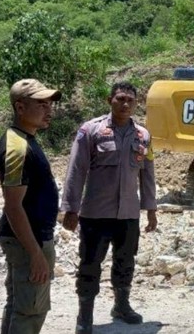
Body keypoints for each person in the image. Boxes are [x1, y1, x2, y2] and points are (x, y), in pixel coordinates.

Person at [61, 81, 157, 333]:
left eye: (130, 100)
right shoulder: (90, 130)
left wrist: (151, 209)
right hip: (95, 214)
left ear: (136, 104)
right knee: (90, 264)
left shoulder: (143, 136)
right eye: (120, 99)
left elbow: (147, 174)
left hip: (128, 215)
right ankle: (85, 316)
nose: (125, 104)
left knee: (126, 261)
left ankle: (121, 306)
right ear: (109, 100)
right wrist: (70, 208)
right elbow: (76, 170)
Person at [0, 78, 62, 334]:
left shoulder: (25, 138)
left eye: (50, 105)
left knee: (18, 306)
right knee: (30, 311)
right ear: (20, 108)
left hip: (29, 238)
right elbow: (13, 206)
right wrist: (35, 254)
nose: (49, 110)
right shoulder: (17, 148)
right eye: (41, 104)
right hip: (28, 241)